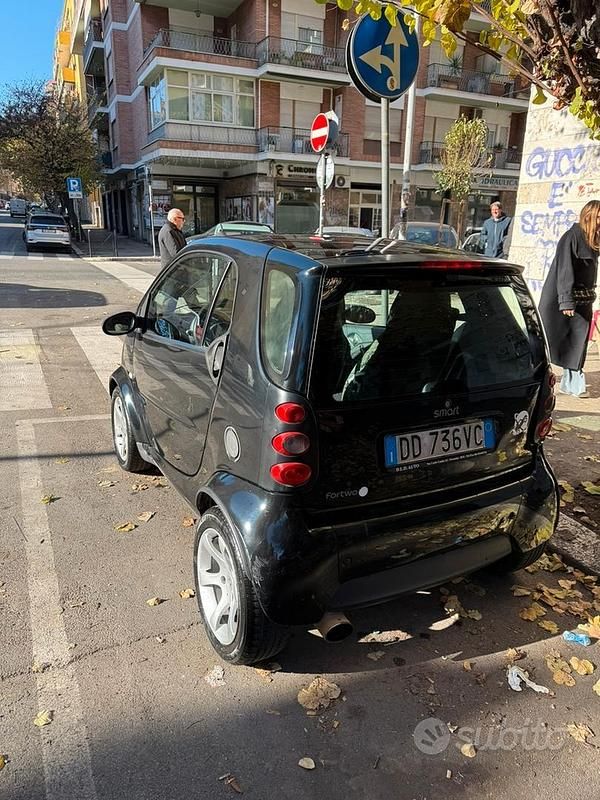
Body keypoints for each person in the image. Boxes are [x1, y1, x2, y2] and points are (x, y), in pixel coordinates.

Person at [538, 200, 600, 398]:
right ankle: (544, 381)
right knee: (553, 342)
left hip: (583, 300)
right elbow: (565, 270)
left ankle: (573, 383)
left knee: (578, 341)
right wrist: (566, 301)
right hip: (562, 299)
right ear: (589, 216)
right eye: (598, 216)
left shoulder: (593, 238)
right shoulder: (572, 237)